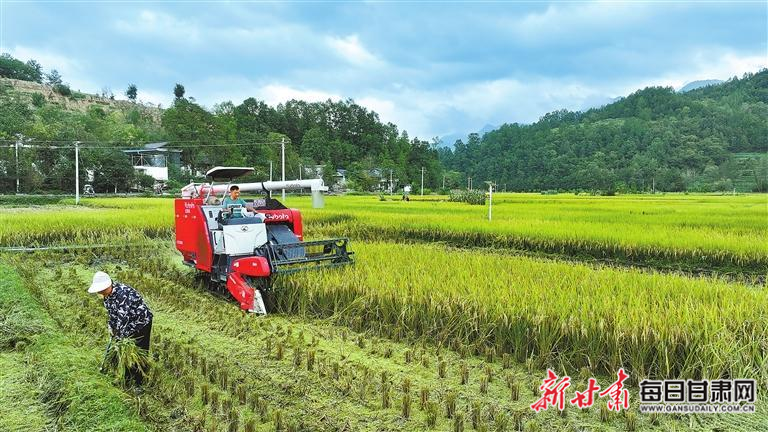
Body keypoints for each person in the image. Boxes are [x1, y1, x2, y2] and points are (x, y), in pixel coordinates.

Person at [88, 271, 153, 387]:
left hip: (141, 323)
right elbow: (112, 315)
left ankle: (139, 383)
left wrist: (118, 340)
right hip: (127, 324)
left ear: (108, 285)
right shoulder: (107, 296)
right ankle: (126, 378)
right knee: (126, 352)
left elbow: (123, 319)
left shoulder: (122, 294)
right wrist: (111, 328)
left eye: (101, 290)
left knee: (138, 352)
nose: (100, 292)